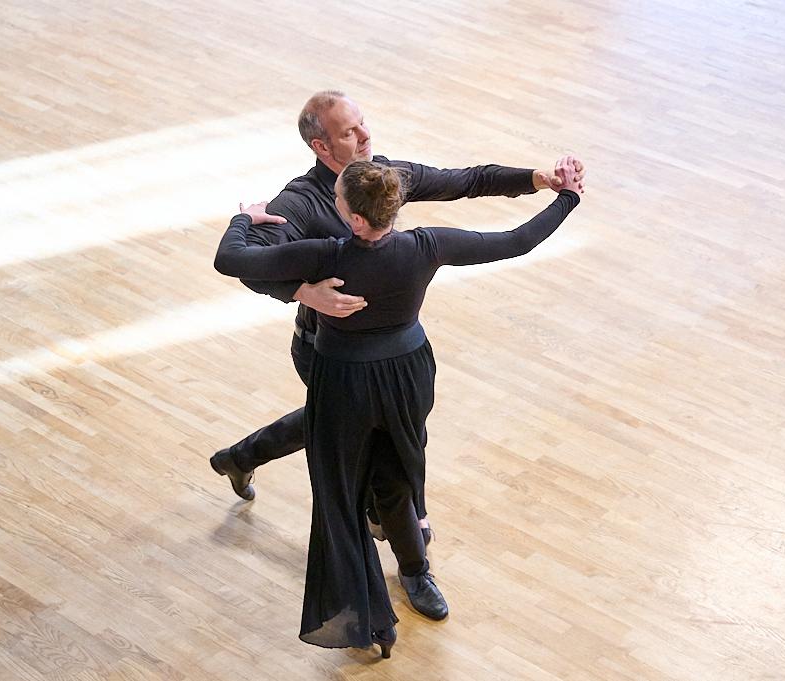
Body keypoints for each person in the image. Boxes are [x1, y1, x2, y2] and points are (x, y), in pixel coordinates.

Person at [209, 90, 585, 619]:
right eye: (349, 133)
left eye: (364, 126)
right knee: (381, 463)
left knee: (353, 437)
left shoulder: (380, 176)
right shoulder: (300, 202)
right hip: (326, 352)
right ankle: (413, 553)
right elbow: (251, 265)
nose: (366, 138)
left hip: (390, 358)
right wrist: (300, 293)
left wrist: (537, 179)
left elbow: (465, 181)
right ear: (321, 146)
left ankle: (243, 458)